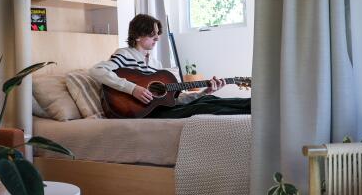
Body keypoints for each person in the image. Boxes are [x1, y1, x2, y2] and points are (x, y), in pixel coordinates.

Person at [89, 14, 251, 118]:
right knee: (200, 109)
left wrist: (204, 91)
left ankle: (255, 107)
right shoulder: (125, 54)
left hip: (163, 108)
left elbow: (175, 100)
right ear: (138, 35)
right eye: (153, 34)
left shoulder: (155, 64)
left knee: (209, 99)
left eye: (158, 34)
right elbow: (96, 70)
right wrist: (133, 89)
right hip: (145, 113)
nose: (157, 39)